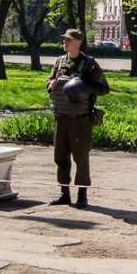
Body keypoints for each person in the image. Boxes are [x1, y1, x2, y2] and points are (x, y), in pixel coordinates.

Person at [46, 29, 110, 209]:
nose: (65, 43)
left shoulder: (89, 64)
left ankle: (82, 196)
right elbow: (50, 81)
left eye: (69, 40)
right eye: (64, 40)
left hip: (80, 120)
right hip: (61, 117)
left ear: (79, 42)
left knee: (81, 158)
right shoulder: (59, 62)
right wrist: (50, 85)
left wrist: (83, 88)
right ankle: (64, 193)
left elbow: (104, 88)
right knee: (60, 157)